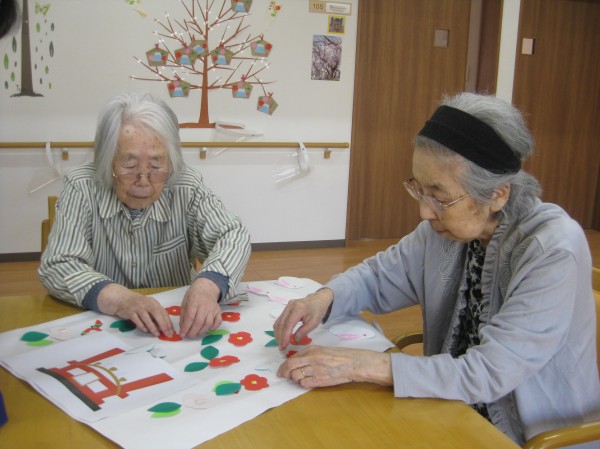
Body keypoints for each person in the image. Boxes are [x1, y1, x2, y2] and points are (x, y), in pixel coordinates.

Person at [274, 92, 600, 446]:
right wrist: (324, 298)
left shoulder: (552, 250)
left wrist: (359, 365)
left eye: (440, 197)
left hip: (530, 437)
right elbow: (378, 276)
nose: (425, 212)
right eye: (419, 189)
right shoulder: (446, 231)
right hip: (450, 406)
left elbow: (490, 372)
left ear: (497, 195)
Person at [39, 92, 251, 339]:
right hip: (104, 329)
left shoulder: (186, 184)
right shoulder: (81, 185)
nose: (143, 180)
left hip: (175, 326)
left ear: (171, 161)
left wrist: (207, 286)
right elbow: (59, 264)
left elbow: (233, 235)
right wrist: (121, 299)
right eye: (129, 166)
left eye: (156, 166)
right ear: (107, 160)